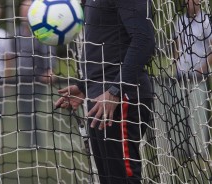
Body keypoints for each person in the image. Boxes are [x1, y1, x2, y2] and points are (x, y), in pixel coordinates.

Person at [55, 0, 155, 183]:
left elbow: (144, 40)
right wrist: (85, 87)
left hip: (121, 98)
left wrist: (115, 90)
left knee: (123, 179)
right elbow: (108, 43)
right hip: (100, 100)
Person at [15, 0, 57, 147]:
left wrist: (50, 69)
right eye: (22, 9)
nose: (23, 12)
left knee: (34, 110)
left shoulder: (40, 30)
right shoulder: (17, 32)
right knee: (25, 111)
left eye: (26, 9)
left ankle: (37, 144)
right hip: (21, 79)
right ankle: (29, 144)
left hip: (37, 78)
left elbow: (49, 51)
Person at [174, 0, 212, 158]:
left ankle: (199, 149)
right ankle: (182, 149)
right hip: (182, 73)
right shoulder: (180, 20)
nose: (190, 4)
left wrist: (202, 69)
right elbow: (177, 45)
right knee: (182, 113)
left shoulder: (206, 21)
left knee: (198, 114)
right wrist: (176, 65)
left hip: (198, 75)